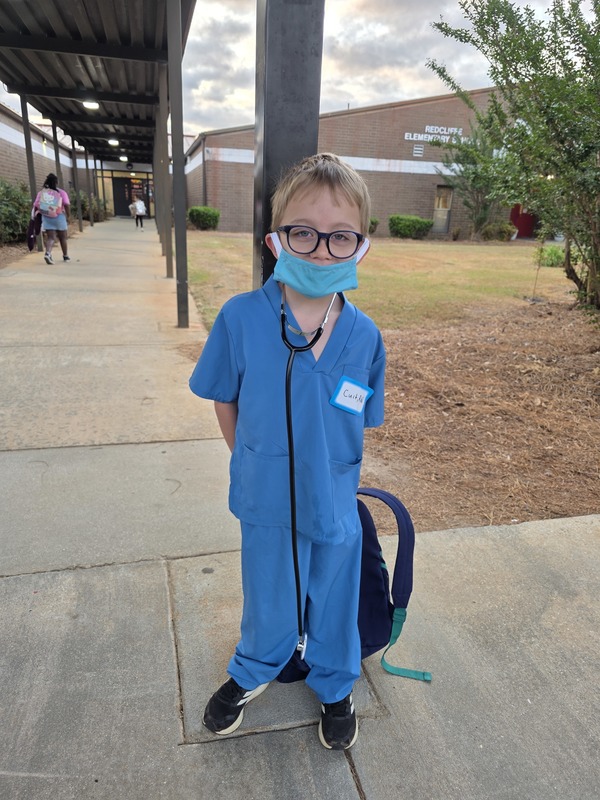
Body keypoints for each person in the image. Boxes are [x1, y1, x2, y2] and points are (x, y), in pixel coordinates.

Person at [189, 153, 386, 750]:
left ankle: (335, 684)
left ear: (361, 246)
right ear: (276, 239)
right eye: (304, 232)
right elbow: (224, 396)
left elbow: (358, 415)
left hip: (333, 495)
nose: (322, 250)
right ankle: (253, 669)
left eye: (340, 236)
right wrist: (249, 458)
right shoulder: (241, 318)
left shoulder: (365, 336)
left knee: (334, 594)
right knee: (269, 592)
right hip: (266, 494)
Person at [33, 173, 70, 264]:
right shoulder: (61, 192)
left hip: (47, 216)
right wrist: (68, 216)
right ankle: (65, 256)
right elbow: (66, 204)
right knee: (63, 237)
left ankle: (48, 254)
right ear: (56, 182)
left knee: (51, 238)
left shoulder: (41, 192)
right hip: (59, 216)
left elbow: (36, 204)